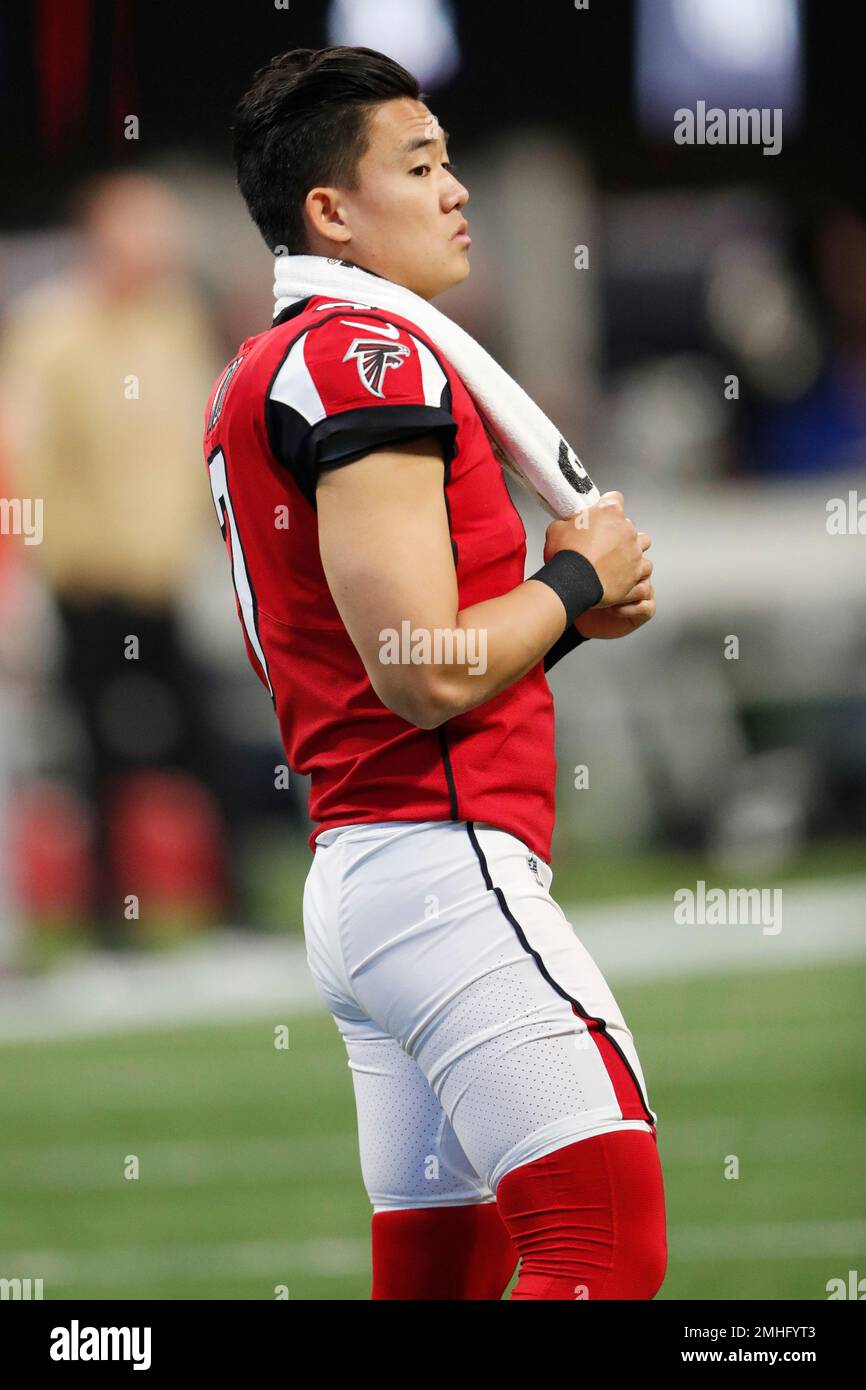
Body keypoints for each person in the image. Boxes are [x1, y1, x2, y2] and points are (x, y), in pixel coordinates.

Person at [206, 45, 665, 1300]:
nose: (456, 188)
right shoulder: (366, 355)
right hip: (438, 862)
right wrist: (573, 582)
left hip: (368, 867)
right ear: (330, 211)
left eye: (451, 158)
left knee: (438, 1281)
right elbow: (422, 670)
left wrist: (563, 607)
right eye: (419, 164)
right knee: (601, 1242)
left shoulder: (273, 361)